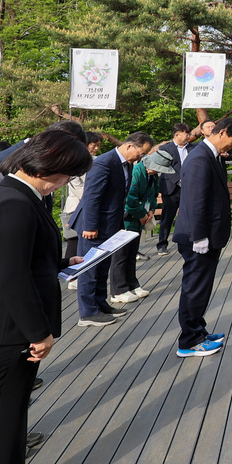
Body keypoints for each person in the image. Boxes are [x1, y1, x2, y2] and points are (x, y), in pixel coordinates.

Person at [0, 121, 86, 464]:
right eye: (67, 175)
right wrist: (39, 332)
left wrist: (59, 261)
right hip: (4, 332)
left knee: (3, 432)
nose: (66, 182)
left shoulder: (16, 194)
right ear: (49, 167)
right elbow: (11, 278)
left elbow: (14, 257)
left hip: (2, 329)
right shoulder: (14, 201)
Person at [174, 117, 232, 357]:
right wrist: (199, 237)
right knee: (195, 288)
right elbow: (195, 201)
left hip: (207, 234)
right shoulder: (199, 158)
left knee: (202, 287)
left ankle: (199, 331)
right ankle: (189, 341)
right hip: (197, 237)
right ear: (223, 132)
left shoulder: (211, 155)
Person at [74, 132, 153, 327]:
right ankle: (88, 312)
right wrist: (90, 226)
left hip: (111, 225)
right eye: (140, 153)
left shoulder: (124, 163)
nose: (140, 158)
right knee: (89, 269)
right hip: (93, 226)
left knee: (102, 267)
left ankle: (101, 305)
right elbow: (92, 196)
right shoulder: (104, 162)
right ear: (129, 146)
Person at [110, 149, 173, 305]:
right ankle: (118, 290)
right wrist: (141, 214)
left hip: (140, 217)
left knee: (132, 253)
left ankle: (132, 284)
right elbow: (129, 197)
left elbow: (153, 194)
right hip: (126, 218)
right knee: (121, 255)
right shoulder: (137, 171)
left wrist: (151, 210)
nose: (158, 171)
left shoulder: (152, 175)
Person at [60, 133, 102, 271]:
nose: (95, 148)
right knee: (73, 241)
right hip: (75, 205)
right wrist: (92, 197)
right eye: (93, 145)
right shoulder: (75, 160)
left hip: (88, 205)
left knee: (85, 242)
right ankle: (71, 275)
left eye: (98, 146)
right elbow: (75, 185)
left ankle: (82, 271)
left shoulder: (97, 160)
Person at [153, 124, 190, 256]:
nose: (188, 136)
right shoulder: (166, 148)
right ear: (177, 135)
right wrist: (178, 180)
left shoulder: (193, 148)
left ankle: (187, 241)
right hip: (171, 188)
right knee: (167, 217)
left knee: (188, 215)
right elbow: (164, 167)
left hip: (189, 188)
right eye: (186, 133)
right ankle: (162, 244)